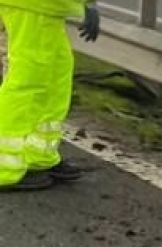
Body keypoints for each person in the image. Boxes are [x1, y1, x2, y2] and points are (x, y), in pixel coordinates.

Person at [0, 0, 99, 191]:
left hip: (45, 7)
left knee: (55, 77)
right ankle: (4, 168)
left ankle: (38, 156)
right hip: (31, 6)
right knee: (28, 82)